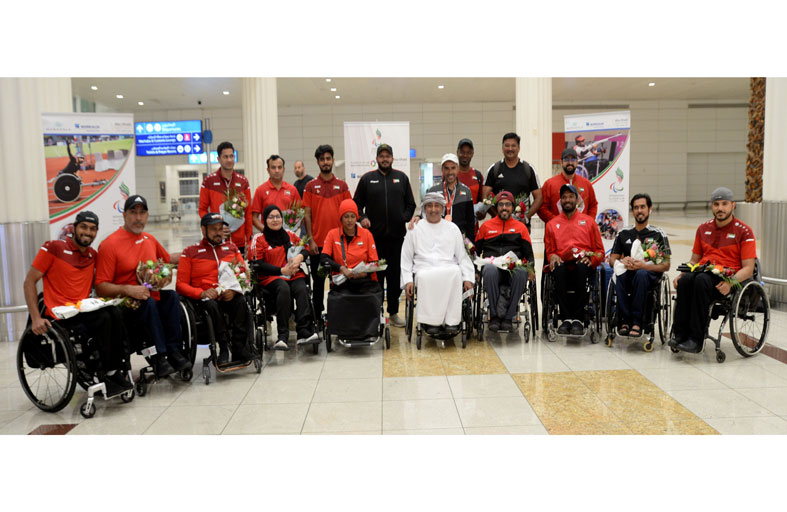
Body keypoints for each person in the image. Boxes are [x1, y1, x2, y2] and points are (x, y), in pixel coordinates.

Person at [23, 211, 132, 391]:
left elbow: (105, 278)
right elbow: (29, 282)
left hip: (81, 310)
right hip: (59, 313)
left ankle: (114, 370)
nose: (87, 232)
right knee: (104, 319)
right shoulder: (53, 248)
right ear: (74, 228)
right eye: (83, 227)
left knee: (115, 313)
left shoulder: (93, 255)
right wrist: (35, 318)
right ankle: (104, 372)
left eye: (92, 229)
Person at [95, 195, 191, 376]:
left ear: (147, 216)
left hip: (149, 297)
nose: (138, 218)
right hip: (125, 304)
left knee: (171, 297)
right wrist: (127, 289)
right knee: (149, 303)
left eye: (142, 213)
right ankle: (158, 356)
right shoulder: (110, 245)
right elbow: (100, 286)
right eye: (133, 212)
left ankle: (174, 350)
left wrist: (192, 254)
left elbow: (167, 260)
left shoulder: (149, 239)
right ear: (124, 215)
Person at [670, 187, 755, 353]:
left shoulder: (744, 231)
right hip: (704, 271)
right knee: (686, 281)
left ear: (733, 205)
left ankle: (696, 339)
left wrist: (731, 283)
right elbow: (694, 260)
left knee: (700, 281)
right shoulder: (703, 229)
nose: (720, 208)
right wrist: (682, 274)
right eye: (716, 204)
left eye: (724, 204)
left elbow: (749, 268)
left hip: (726, 278)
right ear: (712, 206)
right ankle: (679, 335)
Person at [176, 213, 254, 364]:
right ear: (203, 230)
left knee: (241, 302)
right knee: (211, 305)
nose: (218, 233)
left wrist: (234, 290)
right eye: (213, 229)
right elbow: (180, 285)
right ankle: (223, 347)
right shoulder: (190, 252)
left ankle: (239, 347)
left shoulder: (231, 248)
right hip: (204, 300)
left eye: (220, 228)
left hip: (228, 296)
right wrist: (201, 293)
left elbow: (244, 274)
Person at [353, 143, 417, 327]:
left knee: (395, 277)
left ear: (392, 158)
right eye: (381, 156)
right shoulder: (367, 179)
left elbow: (411, 204)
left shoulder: (401, 178)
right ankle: (378, 312)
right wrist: (362, 218)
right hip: (374, 240)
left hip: (397, 240)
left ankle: (394, 313)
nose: (385, 159)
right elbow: (356, 204)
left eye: (387, 156)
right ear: (377, 159)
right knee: (376, 278)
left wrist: (403, 217)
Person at [401, 193, 474, 332]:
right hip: (423, 268)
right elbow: (406, 257)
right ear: (424, 208)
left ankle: (452, 321)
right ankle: (430, 322)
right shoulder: (415, 228)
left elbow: (462, 257)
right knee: (425, 277)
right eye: (429, 206)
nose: (433, 210)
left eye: (437, 206)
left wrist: (468, 278)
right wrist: (408, 280)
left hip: (448, 267)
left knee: (456, 272)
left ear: (442, 208)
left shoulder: (452, 228)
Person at [249, 205, 319, 351]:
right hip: (271, 277)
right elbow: (258, 264)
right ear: (265, 220)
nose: (275, 220)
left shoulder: (289, 234)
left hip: (293, 275)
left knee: (301, 288)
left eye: (278, 216)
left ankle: (304, 331)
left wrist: (300, 257)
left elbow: (305, 248)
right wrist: (281, 270)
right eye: (271, 217)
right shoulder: (259, 239)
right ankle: (282, 336)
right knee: (283, 288)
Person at [544, 184, 605, 336]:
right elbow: (550, 252)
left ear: (577, 199)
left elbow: (600, 251)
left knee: (581, 268)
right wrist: (552, 256)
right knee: (557, 269)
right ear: (560, 201)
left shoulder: (589, 222)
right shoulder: (552, 224)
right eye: (564, 197)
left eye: (571, 197)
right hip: (563, 264)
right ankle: (566, 318)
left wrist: (591, 260)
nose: (567, 200)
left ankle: (578, 318)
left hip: (582, 265)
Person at [608, 193, 672, 337]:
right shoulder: (623, 233)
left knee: (641, 274)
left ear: (650, 209)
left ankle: (637, 322)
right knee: (619, 274)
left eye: (642, 207)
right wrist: (622, 262)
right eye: (636, 208)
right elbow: (612, 259)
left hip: (648, 275)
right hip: (628, 273)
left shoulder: (658, 234)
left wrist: (644, 266)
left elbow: (666, 265)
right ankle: (624, 320)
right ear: (633, 211)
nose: (639, 210)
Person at [475, 191, 535, 332]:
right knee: (489, 270)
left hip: (513, 267)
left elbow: (529, 254)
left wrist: (531, 270)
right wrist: (474, 271)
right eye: (501, 204)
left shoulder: (521, 228)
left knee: (521, 272)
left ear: (513, 207)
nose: (504, 208)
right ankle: (494, 316)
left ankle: (509, 316)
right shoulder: (486, 227)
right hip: (492, 267)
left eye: (508, 204)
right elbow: (475, 252)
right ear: (496, 207)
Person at [303, 144, 352, 318]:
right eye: (322, 159)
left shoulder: (342, 186)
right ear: (317, 162)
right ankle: (317, 317)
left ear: (333, 160)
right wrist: (310, 240)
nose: (325, 162)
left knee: (338, 281)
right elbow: (307, 215)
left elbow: (349, 214)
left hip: (338, 245)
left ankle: (338, 316)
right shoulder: (310, 186)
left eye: (328, 158)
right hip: (318, 247)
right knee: (318, 282)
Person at [198, 141, 253, 255]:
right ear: (218, 159)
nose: (229, 160)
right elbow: (202, 210)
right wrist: (216, 227)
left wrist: (249, 239)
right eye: (225, 157)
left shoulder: (243, 182)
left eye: (231, 156)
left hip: (239, 242)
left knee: (239, 266)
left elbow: (248, 213)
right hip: (217, 239)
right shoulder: (209, 181)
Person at [482, 132, 543, 231]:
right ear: (502, 148)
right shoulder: (494, 169)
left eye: (513, 146)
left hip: (521, 226)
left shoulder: (528, 169)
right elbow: (484, 196)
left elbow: (539, 197)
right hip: (498, 227)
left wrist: (526, 217)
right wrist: (497, 216)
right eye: (507, 145)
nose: (510, 149)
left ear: (518, 148)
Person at [321, 199, 382, 294]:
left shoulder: (367, 234)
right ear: (341, 218)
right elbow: (324, 259)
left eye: (353, 216)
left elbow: (374, 262)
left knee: (369, 298)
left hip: (364, 281)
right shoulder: (332, 234)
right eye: (346, 217)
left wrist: (363, 273)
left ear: (356, 218)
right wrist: (341, 268)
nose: (349, 220)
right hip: (342, 281)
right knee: (344, 297)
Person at [537, 148, 598, 224]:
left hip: (581, 230)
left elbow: (593, 205)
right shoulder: (549, 184)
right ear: (561, 162)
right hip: (557, 230)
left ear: (577, 162)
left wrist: (587, 223)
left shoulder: (586, 184)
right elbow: (541, 208)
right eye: (566, 160)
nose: (570, 163)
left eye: (573, 160)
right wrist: (556, 222)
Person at [421, 153, 475, 238]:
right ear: (442, 169)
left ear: (458, 168)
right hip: (438, 238)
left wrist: (470, 242)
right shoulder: (433, 191)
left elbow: (470, 221)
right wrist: (417, 217)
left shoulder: (466, 191)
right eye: (446, 168)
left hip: (459, 238)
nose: (450, 172)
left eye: (453, 168)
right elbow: (424, 215)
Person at [251, 154, 301, 233]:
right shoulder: (260, 190)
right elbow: (254, 218)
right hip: (268, 237)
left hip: (287, 236)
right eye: (273, 167)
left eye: (279, 167)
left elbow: (300, 215)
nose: (277, 170)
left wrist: (291, 231)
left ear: (283, 170)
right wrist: (266, 231)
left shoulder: (292, 190)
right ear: (268, 170)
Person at [455, 138, 486, 226]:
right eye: (462, 152)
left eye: (468, 152)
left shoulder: (478, 176)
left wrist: (482, 213)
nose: (465, 155)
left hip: (473, 228)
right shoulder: (451, 175)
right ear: (457, 152)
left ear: (472, 154)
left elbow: (482, 202)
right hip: (454, 227)